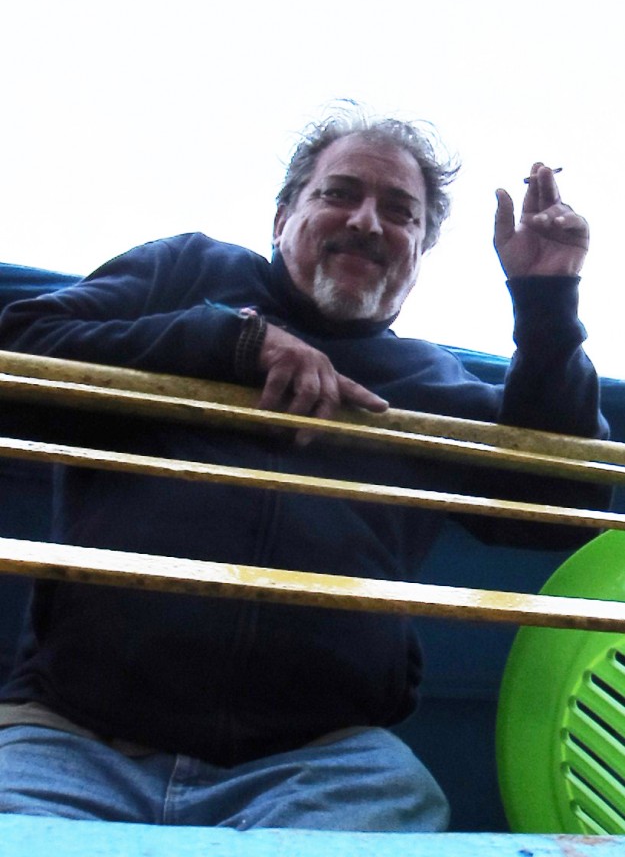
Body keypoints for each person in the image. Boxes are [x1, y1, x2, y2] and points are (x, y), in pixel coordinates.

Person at [0, 107, 609, 831]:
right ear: (283, 216)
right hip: (69, 742)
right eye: (337, 193)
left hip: (324, 770)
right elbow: (21, 347)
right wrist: (230, 343)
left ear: (417, 252)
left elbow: (562, 498)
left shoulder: (429, 381)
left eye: (399, 212)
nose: (367, 221)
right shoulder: (185, 271)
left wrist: (545, 303)